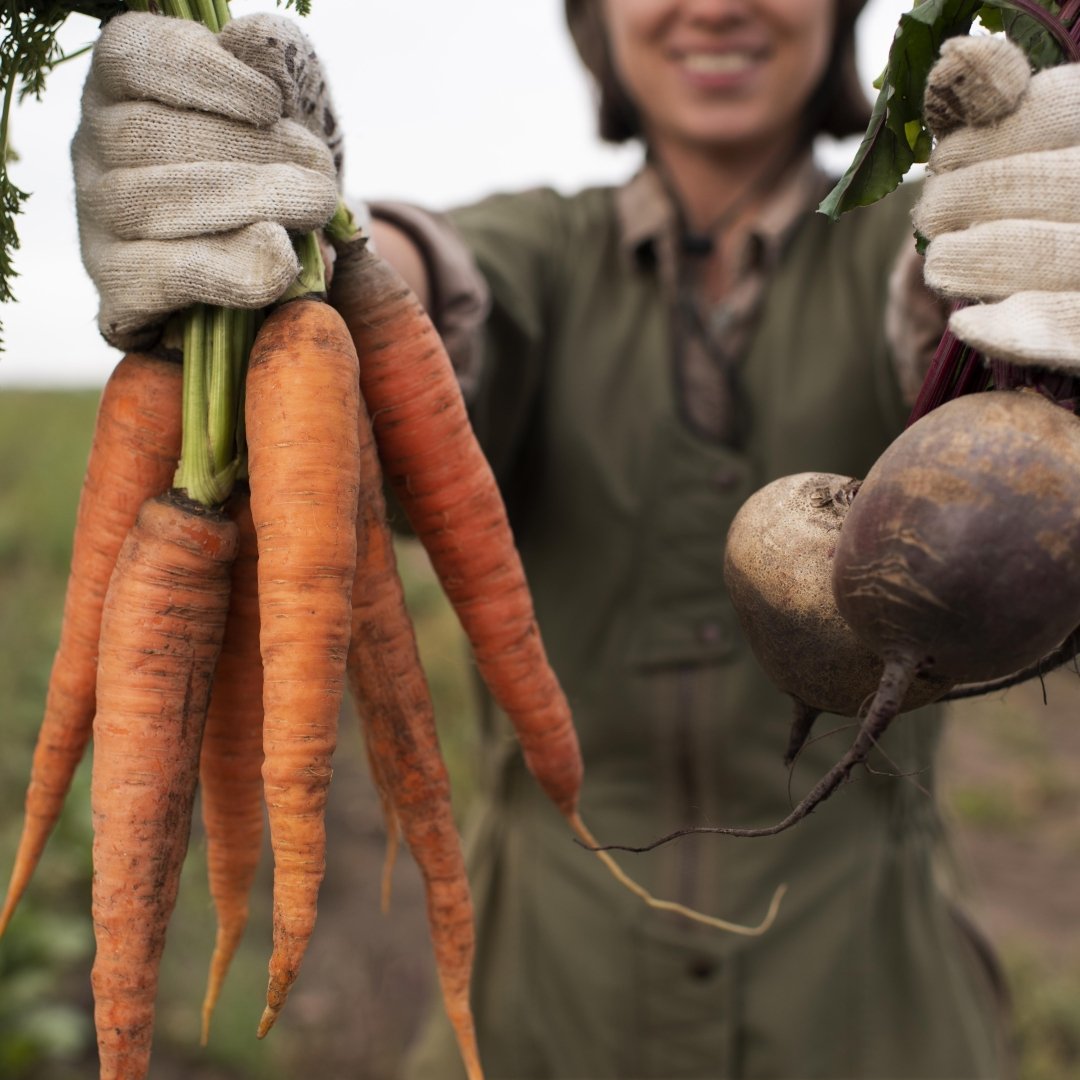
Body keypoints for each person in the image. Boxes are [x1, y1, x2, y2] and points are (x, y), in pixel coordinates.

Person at [71, 3, 1080, 1076]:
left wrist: (1032, 306)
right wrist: (299, 225)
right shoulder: (540, 247)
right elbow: (440, 287)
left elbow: (944, 316)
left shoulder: (934, 228)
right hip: (540, 1008)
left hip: (876, 1005)